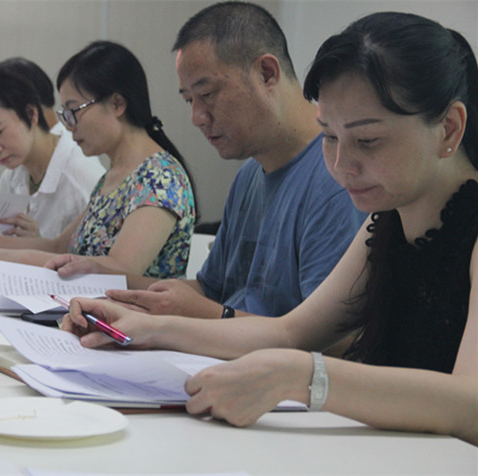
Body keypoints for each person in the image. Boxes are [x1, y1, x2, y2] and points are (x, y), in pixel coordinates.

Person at [63, 11, 478, 446]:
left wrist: (302, 376)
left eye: (368, 140)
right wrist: (146, 328)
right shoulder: (386, 219)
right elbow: (290, 331)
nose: (341, 165)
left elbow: (470, 403)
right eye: (329, 137)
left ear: (448, 128)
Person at [50, 1, 364, 323]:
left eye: (208, 94)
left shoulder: (339, 180)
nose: (197, 117)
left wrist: (206, 316)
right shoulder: (249, 176)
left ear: (266, 74)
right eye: (189, 100)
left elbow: (330, 339)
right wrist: (110, 286)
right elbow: (209, 290)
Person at [0, 41, 196, 280]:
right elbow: (57, 247)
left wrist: (2, 257)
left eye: (74, 111)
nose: (68, 125)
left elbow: (121, 270)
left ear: (117, 104)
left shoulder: (158, 177)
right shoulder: (114, 177)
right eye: (65, 114)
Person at [0, 62, 104, 240]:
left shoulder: (80, 177)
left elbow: (103, 253)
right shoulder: (18, 168)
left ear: (31, 114)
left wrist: (39, 244)